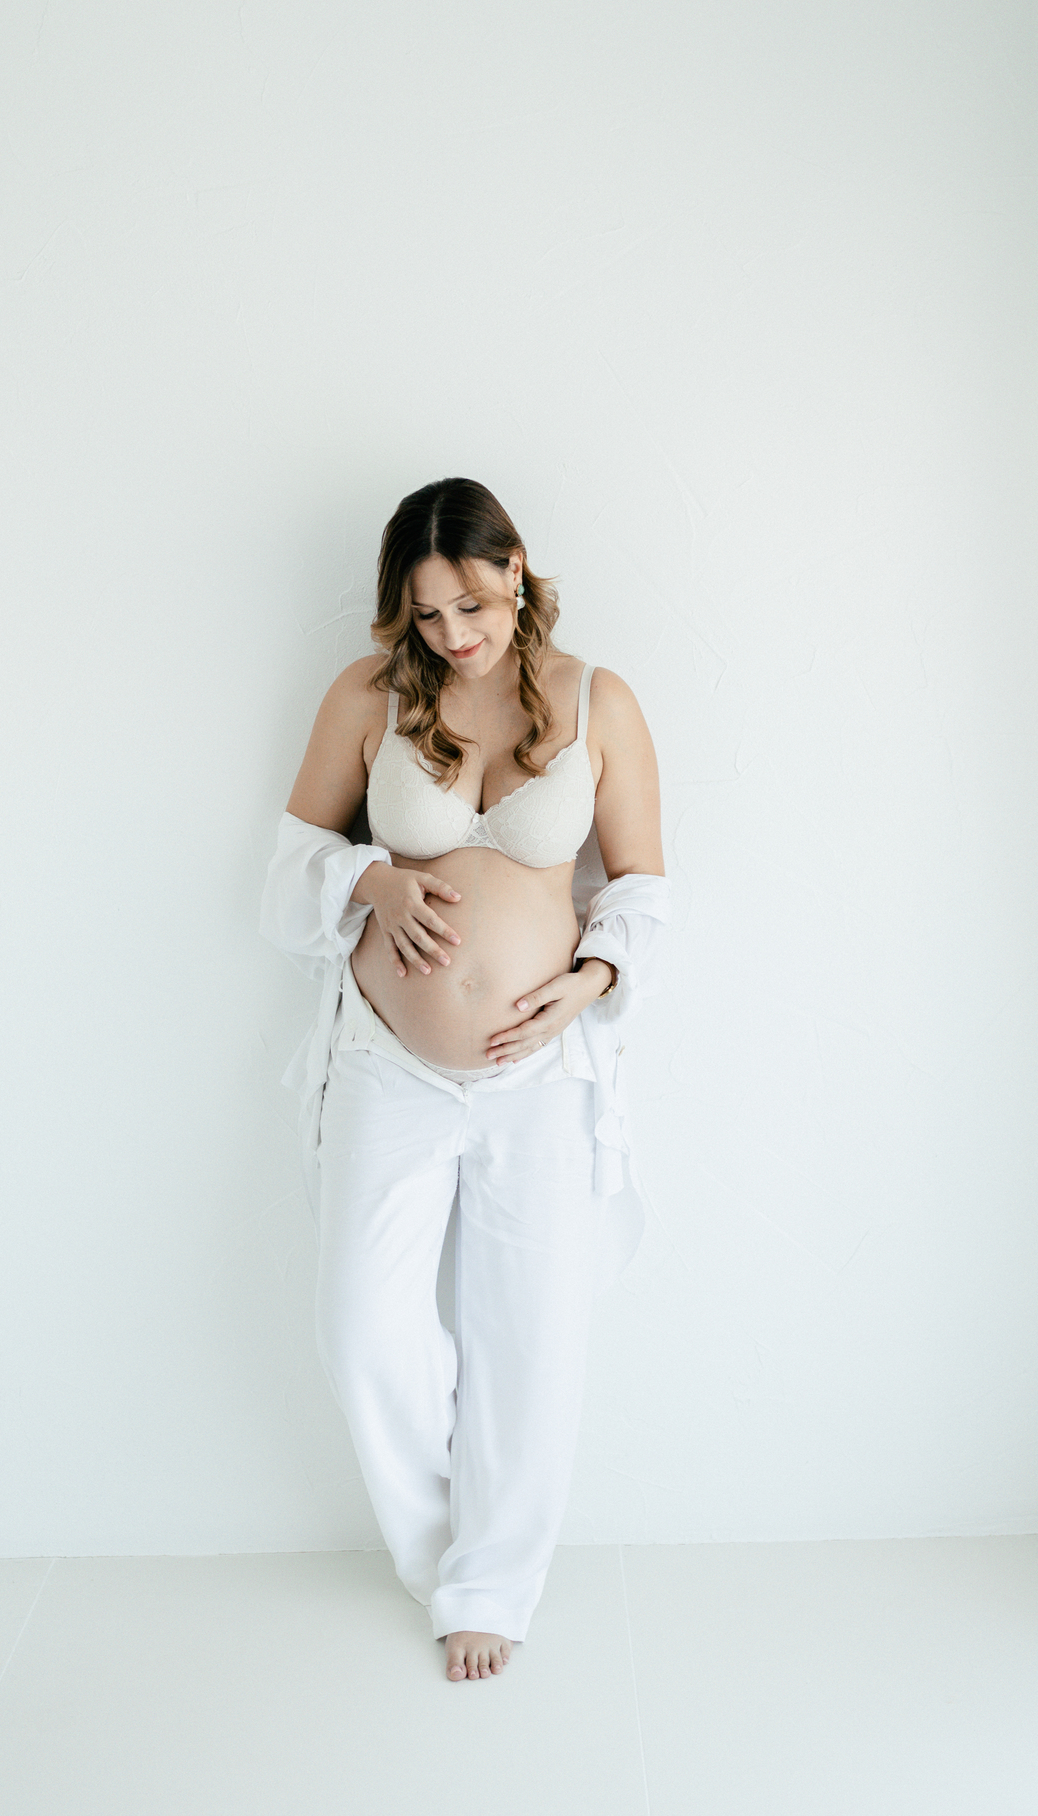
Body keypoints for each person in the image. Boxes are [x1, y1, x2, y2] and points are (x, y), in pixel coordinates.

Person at [260, 477, 671, 1682]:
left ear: (518, 571)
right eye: (428, 614)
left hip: (538, 1075)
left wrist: (594, 977)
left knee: (530, 1337)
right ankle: (441, 1553)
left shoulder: (597, 700)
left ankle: (491, 1583)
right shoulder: (369, 696)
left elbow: (646, 886)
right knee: (359, 1328)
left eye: (473, 607)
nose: (452, 635)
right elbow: (283, 878)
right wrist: (369, 881)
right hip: (388, 1066)